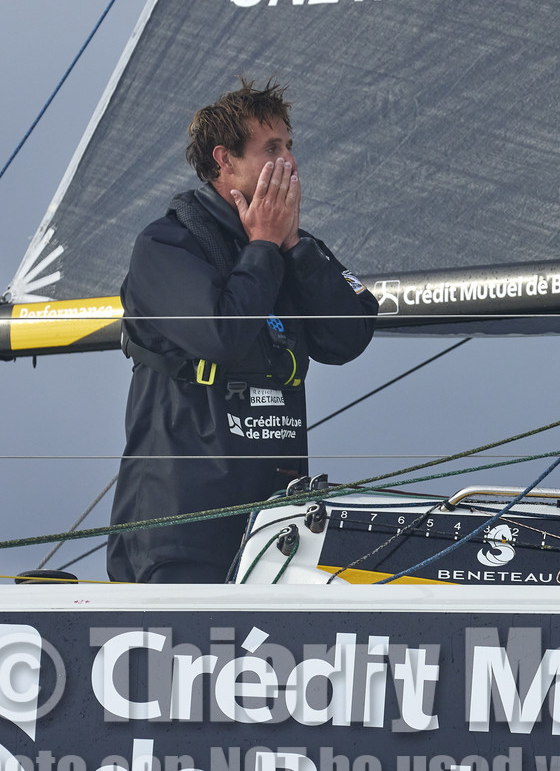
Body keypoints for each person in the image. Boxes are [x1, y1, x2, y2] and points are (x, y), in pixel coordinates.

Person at [108, 80, 377, 583]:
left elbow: (349, 337)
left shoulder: (292, 246)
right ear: (224, 161)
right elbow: (222, 336)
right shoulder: (166, 246)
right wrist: (263, 249)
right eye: (271, 149)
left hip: (278, 532)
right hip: (181, 533)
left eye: (290, 148)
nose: (290, 163)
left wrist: (293, 249)